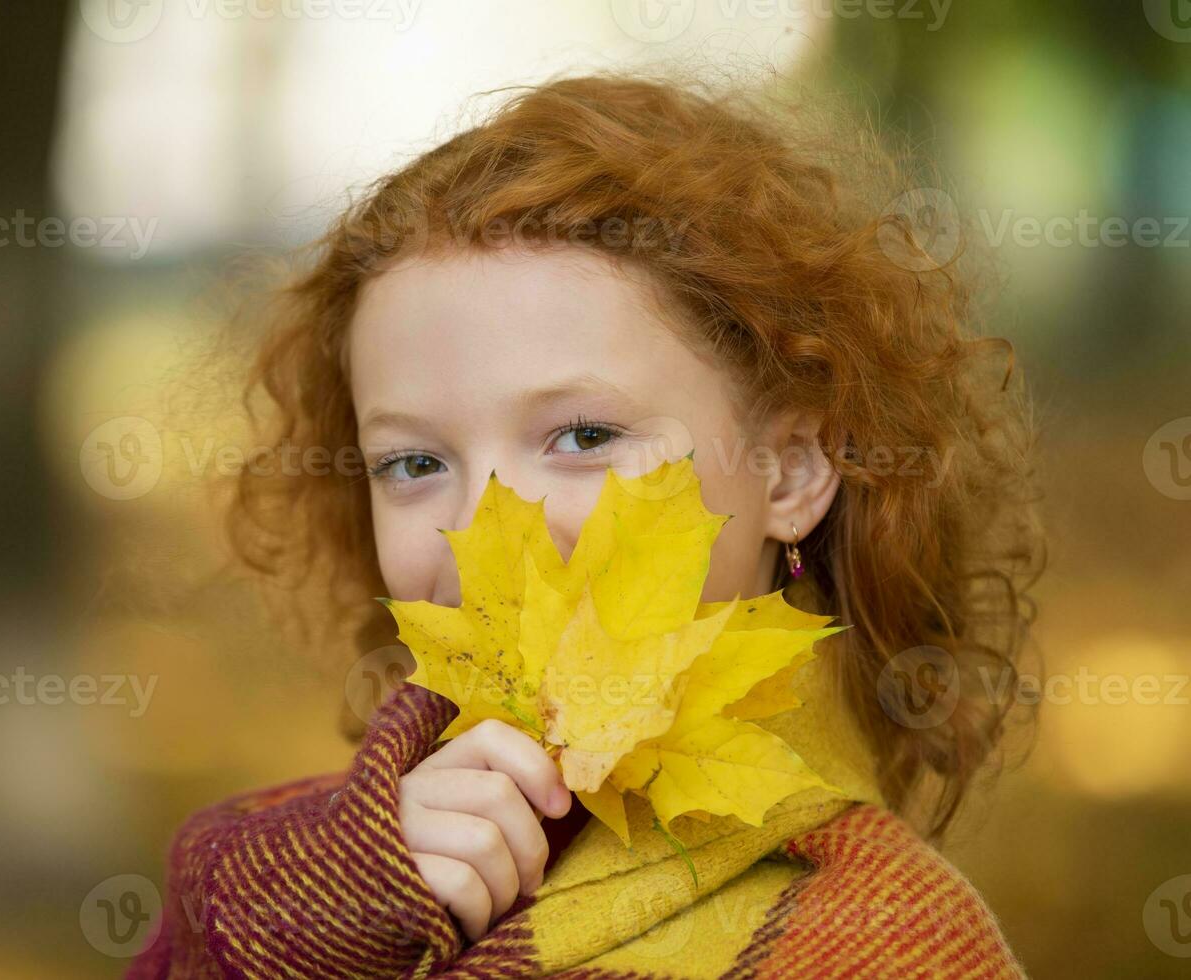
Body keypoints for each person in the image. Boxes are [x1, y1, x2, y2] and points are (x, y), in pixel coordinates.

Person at [126, 68, 1044, 978]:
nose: (489, 534)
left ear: (792, 470)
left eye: (582, 435)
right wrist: (315, 927)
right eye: (415, 463)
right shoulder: (279, 878)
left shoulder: (890, 946)